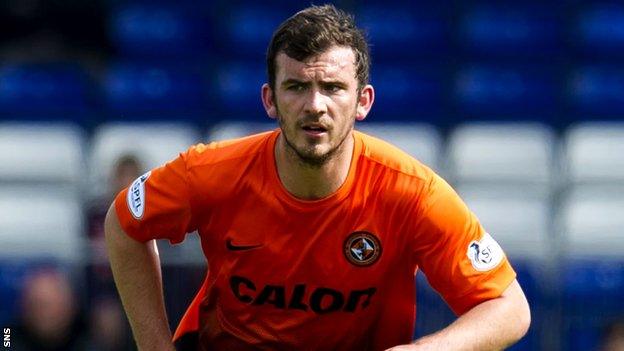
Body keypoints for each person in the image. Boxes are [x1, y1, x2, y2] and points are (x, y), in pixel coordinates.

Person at [105, 4, 530, 350]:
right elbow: (124, 223)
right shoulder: (211, 173)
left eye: (332, 87)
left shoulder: (412, 192)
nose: (315, 105)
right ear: (270, 100)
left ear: (363, 101)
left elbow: (510, 308)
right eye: (296, 87)